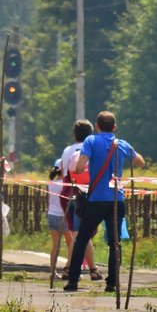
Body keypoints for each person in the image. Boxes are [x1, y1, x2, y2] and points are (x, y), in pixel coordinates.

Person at [63, 110, 145, 293]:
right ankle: (112, 282)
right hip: (117, 199)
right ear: (114, 127)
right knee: (115, 242)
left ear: (97, 126)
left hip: (96, 200)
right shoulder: (121, 144)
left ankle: (73, 281)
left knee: (82, 239)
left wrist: (78, 170)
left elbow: (79, 166)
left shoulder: (91, 141)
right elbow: (140, 162)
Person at [58, 119, 101, 280]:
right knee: (85, 233)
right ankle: (92, 269)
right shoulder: (95, 149)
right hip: (93, 194)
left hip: (73, 194)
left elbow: (64, 175)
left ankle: (70, 268)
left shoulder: (68, 151)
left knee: (78, 233)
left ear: (74, 134)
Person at [46, 164, 67, 279]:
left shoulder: (52, 184)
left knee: (55, 245)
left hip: (52, 214)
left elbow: (49, 201)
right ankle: (69, 270)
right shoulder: (64, 185)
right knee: (71, 244)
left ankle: (53, 272)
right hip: (63, 215)